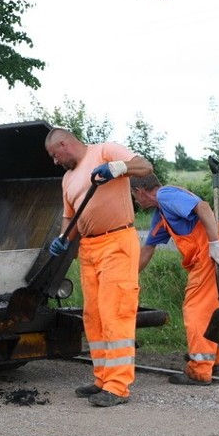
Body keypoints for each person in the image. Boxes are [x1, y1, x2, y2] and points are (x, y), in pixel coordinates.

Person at [44, 128, 154, 407]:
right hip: (89, 249)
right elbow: (70, 218)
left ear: (64, 144)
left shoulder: (105, 152)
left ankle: (118, 386)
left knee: (114, 311)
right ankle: (102, 378)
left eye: (54, 155)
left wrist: (118, 167)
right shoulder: (68, 179)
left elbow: (145, 167)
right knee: (94, 316)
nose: (55, 162)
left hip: (117, 241)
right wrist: (61, 240)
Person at [130, 174, 219, 385]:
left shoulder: (165, 195)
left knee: (196, 308)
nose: (135, 201)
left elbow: (204, 207)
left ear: (141, 190)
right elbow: (147, 251)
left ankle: (199, 370)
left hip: (211, 252)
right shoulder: (161, 214)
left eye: (134, 196)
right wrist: (127, 277)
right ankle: (212, 360)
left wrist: (214, 243)